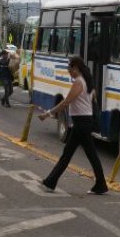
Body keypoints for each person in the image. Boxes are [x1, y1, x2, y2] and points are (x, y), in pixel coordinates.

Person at [39, 56, 108, 195]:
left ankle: (52, 181)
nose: (68, 71)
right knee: (79, 154)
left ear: (75, 68)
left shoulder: (78, 82)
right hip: (83, 122)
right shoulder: (87, 81)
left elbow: (66, 102)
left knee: (75, 154)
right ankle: (52, 181)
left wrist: (48, 114)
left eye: (69, 69)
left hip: (82, 123)